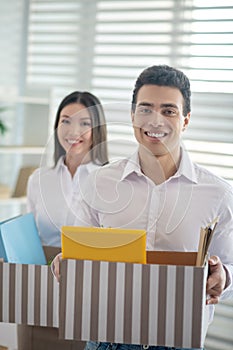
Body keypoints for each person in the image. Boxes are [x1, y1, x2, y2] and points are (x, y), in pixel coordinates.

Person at [53, 65, 233, 350]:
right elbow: (76, 253)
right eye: (146, 109)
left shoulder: (218, 194)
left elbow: (228, 267)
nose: (155, 120)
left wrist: (223, 277)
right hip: (105, 341)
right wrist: (64, 264)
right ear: (132, 115)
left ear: (185, 120)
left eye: (169, 111)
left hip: (179, 342)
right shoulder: (98, 182)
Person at [18, 91, 109, 350]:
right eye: (65, 120)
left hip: (88, 294)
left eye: (85, 123)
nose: (73, 131)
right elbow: (30, 236)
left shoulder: (111, 180)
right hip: (40, 291)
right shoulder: (39, 179)